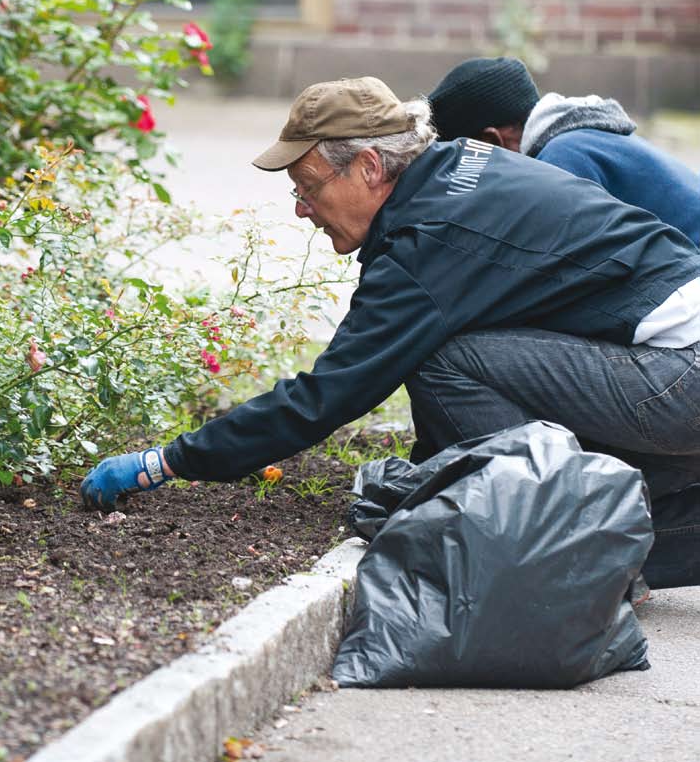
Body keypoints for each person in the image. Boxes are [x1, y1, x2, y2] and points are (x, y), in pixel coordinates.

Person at [81, 75, 700, 591]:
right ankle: (639, 537)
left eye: (307, 187)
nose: (300, 208)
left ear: (370, 166)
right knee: (456, 355)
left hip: (680, 374)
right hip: (667, 359)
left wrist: (166, 461)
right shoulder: (464, 169)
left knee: (442, 362)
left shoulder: (427, 239)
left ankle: (571, 550)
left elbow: (329, 394)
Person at [427, 56, 700, 244]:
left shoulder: (563, 158)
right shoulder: (580, 136)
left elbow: (563, 260)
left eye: (468, 161)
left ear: (490, 142)